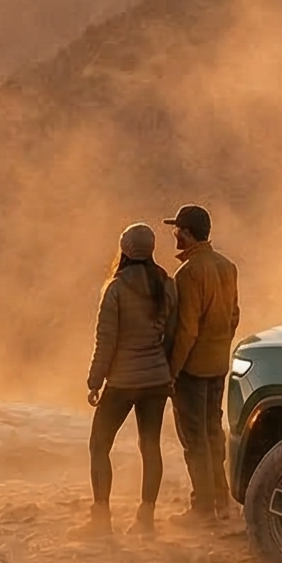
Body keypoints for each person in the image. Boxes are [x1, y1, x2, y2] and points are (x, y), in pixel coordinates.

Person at [85, 221, 174, 537]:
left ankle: (101, 519)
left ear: (124, 250)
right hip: (156, 380)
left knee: (99, 445)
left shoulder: (116, 288)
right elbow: (172, 335)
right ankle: (145, 519)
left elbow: (106, 340)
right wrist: (167, 373)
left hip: (122, 382)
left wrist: (95, 381)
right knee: (150, 446)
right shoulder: (166, 283)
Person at [164, 203, 241, 529]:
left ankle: (203, 508)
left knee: (194, 437)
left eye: (176, 230)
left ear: (186, 233)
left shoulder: (189, 273)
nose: (174, 235)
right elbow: (234, 315)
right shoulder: (227, 266)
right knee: (213, 431)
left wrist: (173, 370)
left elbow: (186, 330)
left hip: (193, 368)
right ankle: (222, 500)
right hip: (219, 363)